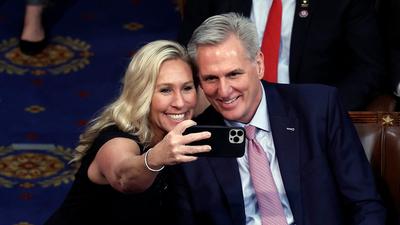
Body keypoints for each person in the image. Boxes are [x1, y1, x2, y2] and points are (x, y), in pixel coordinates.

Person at [166, 13, 386, 225]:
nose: (224, 91)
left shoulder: (317, 109)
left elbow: (365, 204)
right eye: (211, 78)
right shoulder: (194, 141)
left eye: (234, 74)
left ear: (259, 64)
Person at [44, 40, 211, 225]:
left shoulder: (187, 122)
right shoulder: (117, 140)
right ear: (142, 93)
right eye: (165, 90)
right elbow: (125, 178)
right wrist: (156, 158)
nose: (180, 102)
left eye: (187, 88)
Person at [177, 0, 385, 111]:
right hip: (227, 111)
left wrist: (325, 111)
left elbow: (368, 68)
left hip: (309, 116)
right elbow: (187, 55)